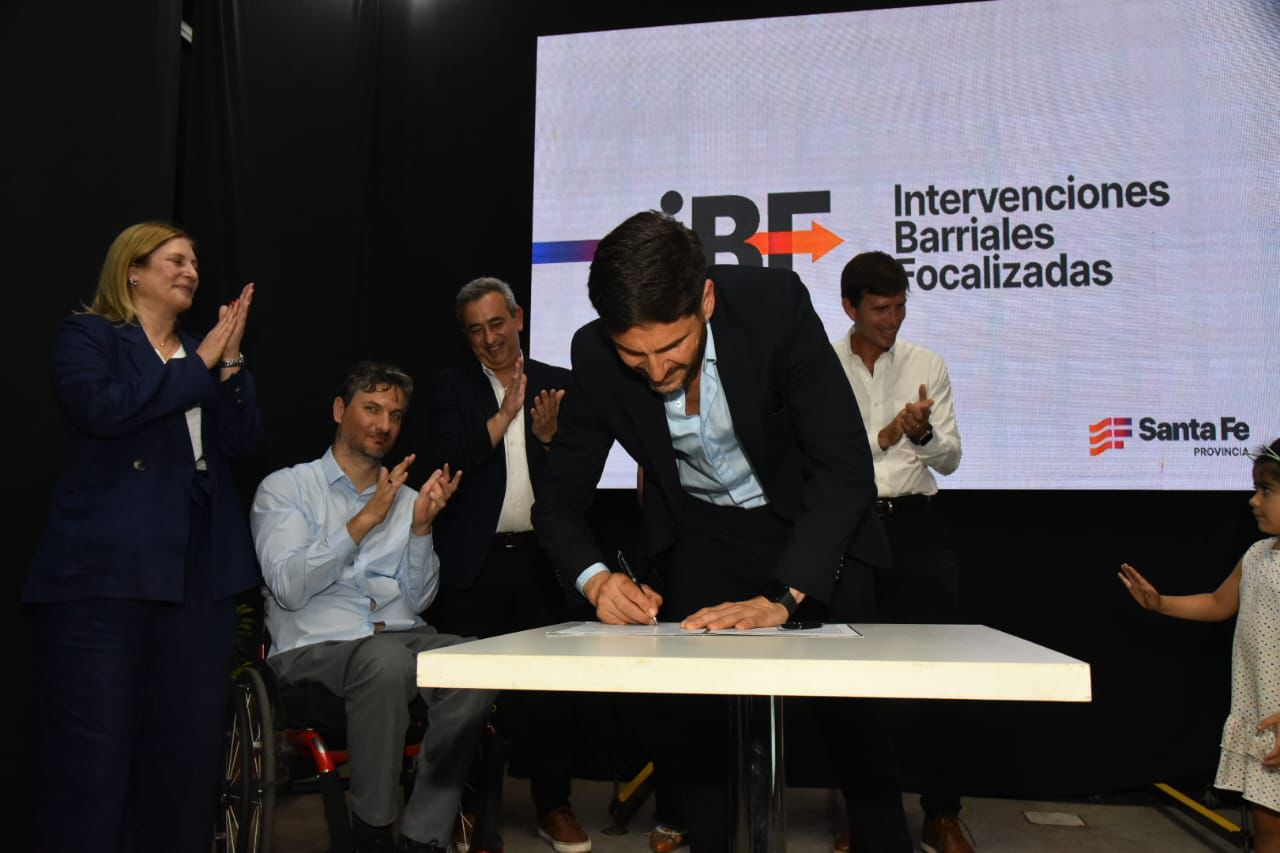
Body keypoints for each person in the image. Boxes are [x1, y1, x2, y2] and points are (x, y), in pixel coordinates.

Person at [532, 210, 911, 853]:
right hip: (704, 537)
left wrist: (785, 596)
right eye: (635, 355)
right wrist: (595, 581)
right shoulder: (593, 356)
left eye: (671, 348)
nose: (655, 372)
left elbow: (843, 468)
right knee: (699, 746)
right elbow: (559, 504)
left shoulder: (773, 307)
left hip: (809, 527)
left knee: (860, 735)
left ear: (705, 299)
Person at [25, 221, 261, 853]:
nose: (191, 271)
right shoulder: (89, 336)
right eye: (175, 260)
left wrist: (230, 361)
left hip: (199, 572)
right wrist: (200, 365)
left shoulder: (205, 351)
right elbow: (103, 408)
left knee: (184, 756)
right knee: (94, 757)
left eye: (194, 263)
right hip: (106, 574)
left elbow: (243, 443)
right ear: (132, 270)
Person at [251, 361, 496, 853]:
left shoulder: (407, 500)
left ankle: (423, 836)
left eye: (395, 415)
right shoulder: (286, 488)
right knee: (385, 661)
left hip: (398, 640)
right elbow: (288, 587)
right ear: (339, 410)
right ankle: (372, 832)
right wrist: (365, 520)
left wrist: (421, 529)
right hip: (314, 650)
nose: (384, 424)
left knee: (476, 661)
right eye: (372, 409)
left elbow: (420, 601)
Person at [425, 277, 589, 852]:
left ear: (518, 319)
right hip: (475, 565)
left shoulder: (561, 384)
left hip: (543, 562)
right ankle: (467, 807)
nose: (490, 338)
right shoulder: (450, 388)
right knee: (467, 696)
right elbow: (448, 460)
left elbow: (580, 481)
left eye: (497, 323)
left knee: (551, 696)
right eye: (476, 330)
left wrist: (548, 442)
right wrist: (503, 416)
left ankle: (554, 805)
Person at [832, 251, 972, 853]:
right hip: (851, 530)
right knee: (856, 686)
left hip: (916, 527)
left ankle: (942, 814)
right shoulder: (822, 368)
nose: (892, 320)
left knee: (940, 677)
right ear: (850, 308)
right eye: (880, 309)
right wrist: (885, 435)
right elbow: (820, 455)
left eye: (899, 307)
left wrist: (923, 434)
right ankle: (870, 816)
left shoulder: (926, 364)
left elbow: (951, 460)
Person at [1119, 438, 1280, 853]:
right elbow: (1218, 603)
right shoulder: (1258, 555)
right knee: (1269, 830)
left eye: (1266, 490)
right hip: (1265, 722)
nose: (1253, 501)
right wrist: (1160, 603)